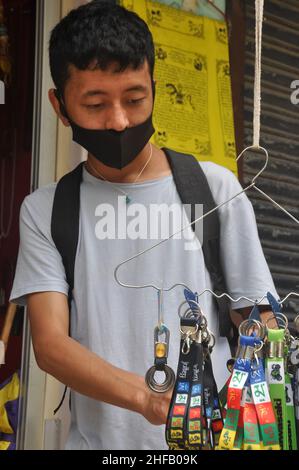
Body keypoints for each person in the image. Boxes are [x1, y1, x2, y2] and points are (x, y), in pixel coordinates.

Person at [10, 1, 277, 450]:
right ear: (60, 106)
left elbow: (253, 314)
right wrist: (148, 398)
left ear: (154, 88)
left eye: (135, 99)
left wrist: (268, 358)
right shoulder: (46, 210)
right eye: (95, 103)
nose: (118, 120)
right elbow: (51, 344)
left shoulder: (213, 189)